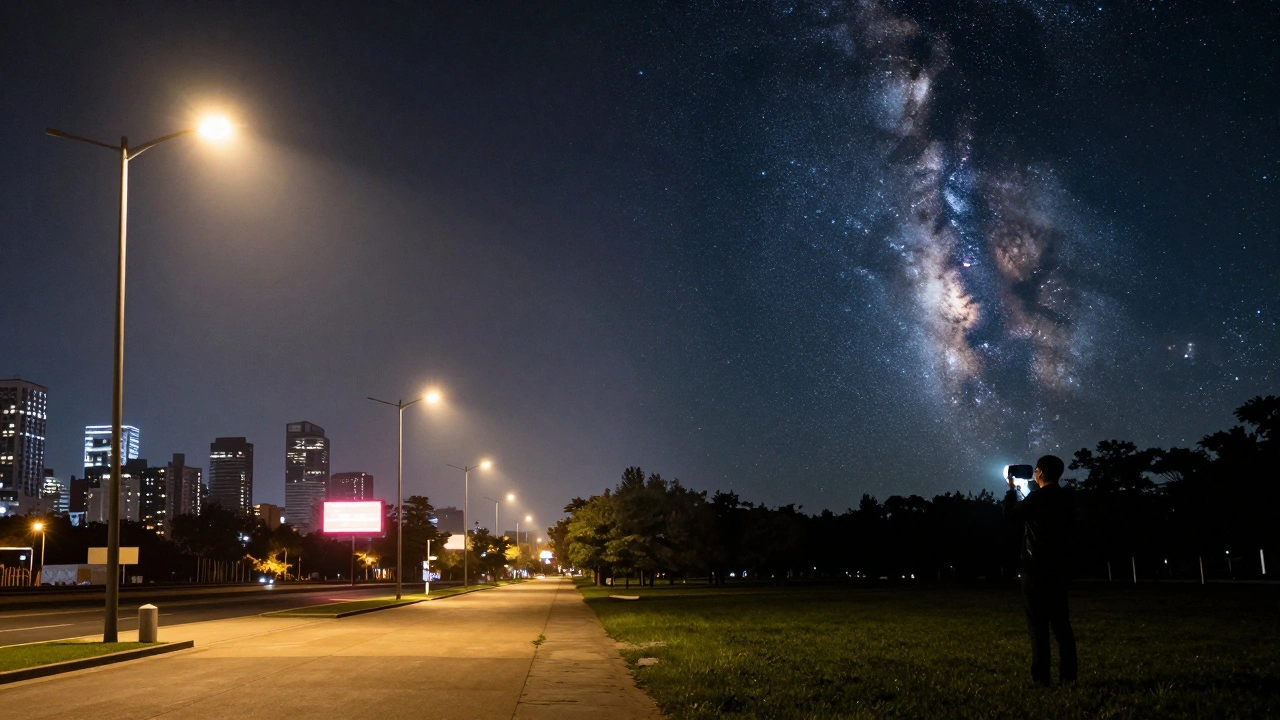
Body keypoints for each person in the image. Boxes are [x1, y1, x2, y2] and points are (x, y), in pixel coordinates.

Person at [1005, 454, 1078, 686]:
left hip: (1035, 568)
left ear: (1041, 473)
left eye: (1036, 471)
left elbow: (1010, 515)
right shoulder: (1067, 499)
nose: (1034, 474)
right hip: (1059, 568)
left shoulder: (1037, 499)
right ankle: (1068, 677)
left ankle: (1041, 678)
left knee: (1038, 625)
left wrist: (1011, 490)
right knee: (1061, 625)